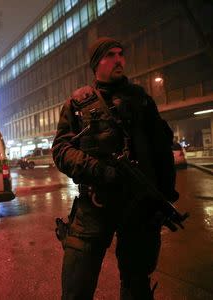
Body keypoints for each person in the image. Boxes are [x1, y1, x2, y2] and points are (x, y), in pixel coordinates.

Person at [52, 37, 178, 300]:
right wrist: (97, 170)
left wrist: (165, 194)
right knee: (77, 286)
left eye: (121, 54)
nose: (119, 59)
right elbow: (61, 150)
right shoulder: (78, 104)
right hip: (95, 206)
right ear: (97, 63)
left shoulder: (142, 101)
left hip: (138, 207)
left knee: (136, 285)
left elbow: (161, 151)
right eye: (111, 54)